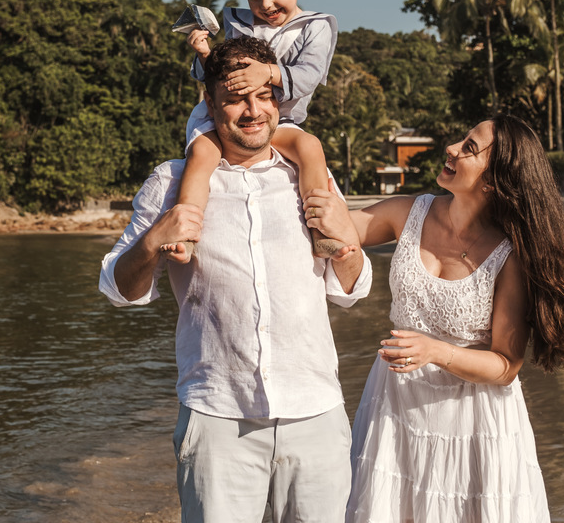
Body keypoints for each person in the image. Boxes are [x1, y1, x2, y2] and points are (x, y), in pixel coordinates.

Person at [99, 36, 371, 523]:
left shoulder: (310, 176)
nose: (253, 111)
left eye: (264, 96)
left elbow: (352, 289)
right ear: (209, 102)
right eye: (235, 98)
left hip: (316, 413)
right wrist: (153, 240)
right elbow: (119, 290)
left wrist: (346, 239)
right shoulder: (172, 182)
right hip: (217, 416)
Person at [302, 115, 564, 523]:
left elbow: (506, 365)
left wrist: (436, 351)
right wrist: (305, 153)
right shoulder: (409, 212)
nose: (452, 148)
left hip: (473, 423)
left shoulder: (510, 257)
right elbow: (342, 229)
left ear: (494, 181)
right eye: (461, 140)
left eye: (469, 148)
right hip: (395, 405)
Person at [164, 0, 341, 260]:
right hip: (227, 117)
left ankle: (320, 232)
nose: (266, 4)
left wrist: (268, 73)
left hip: (281, 120)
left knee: (310, 147)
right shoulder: (237, 22)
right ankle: (185, 233)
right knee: (202, 154)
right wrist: (204, 54)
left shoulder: (315, 27)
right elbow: (218, 75)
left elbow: (308, 76)